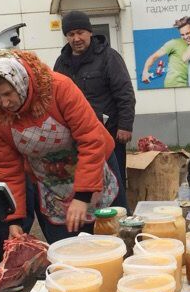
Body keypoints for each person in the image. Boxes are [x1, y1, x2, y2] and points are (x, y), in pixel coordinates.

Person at [0, 49, 120, 245]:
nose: (4, 102)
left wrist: (83, 195)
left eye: (7, 93)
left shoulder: (59, 88)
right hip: (51, 183)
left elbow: (91, 140)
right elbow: (6, 169)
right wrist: (14, 218)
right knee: (67, 248)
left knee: (113, 240)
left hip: (93, 169)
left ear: (20, 82)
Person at [53, 10, 136, 187]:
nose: (76, 38)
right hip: (75, 135)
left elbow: (125, 92)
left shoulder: (109, 57)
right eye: (71, 34)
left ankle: (120, 212)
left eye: (80, 32)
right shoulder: (61, 63)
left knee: (114, 178)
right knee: (84, 179)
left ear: (90, 32)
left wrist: (125, 125)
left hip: (109, 132)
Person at [141, 16, 190, 87]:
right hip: (173, 84)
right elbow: (153, 57)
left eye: (188, 33)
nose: (185, 37)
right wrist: (145, 72)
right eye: (182, 35)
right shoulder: (174, 43)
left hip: (188, 85)